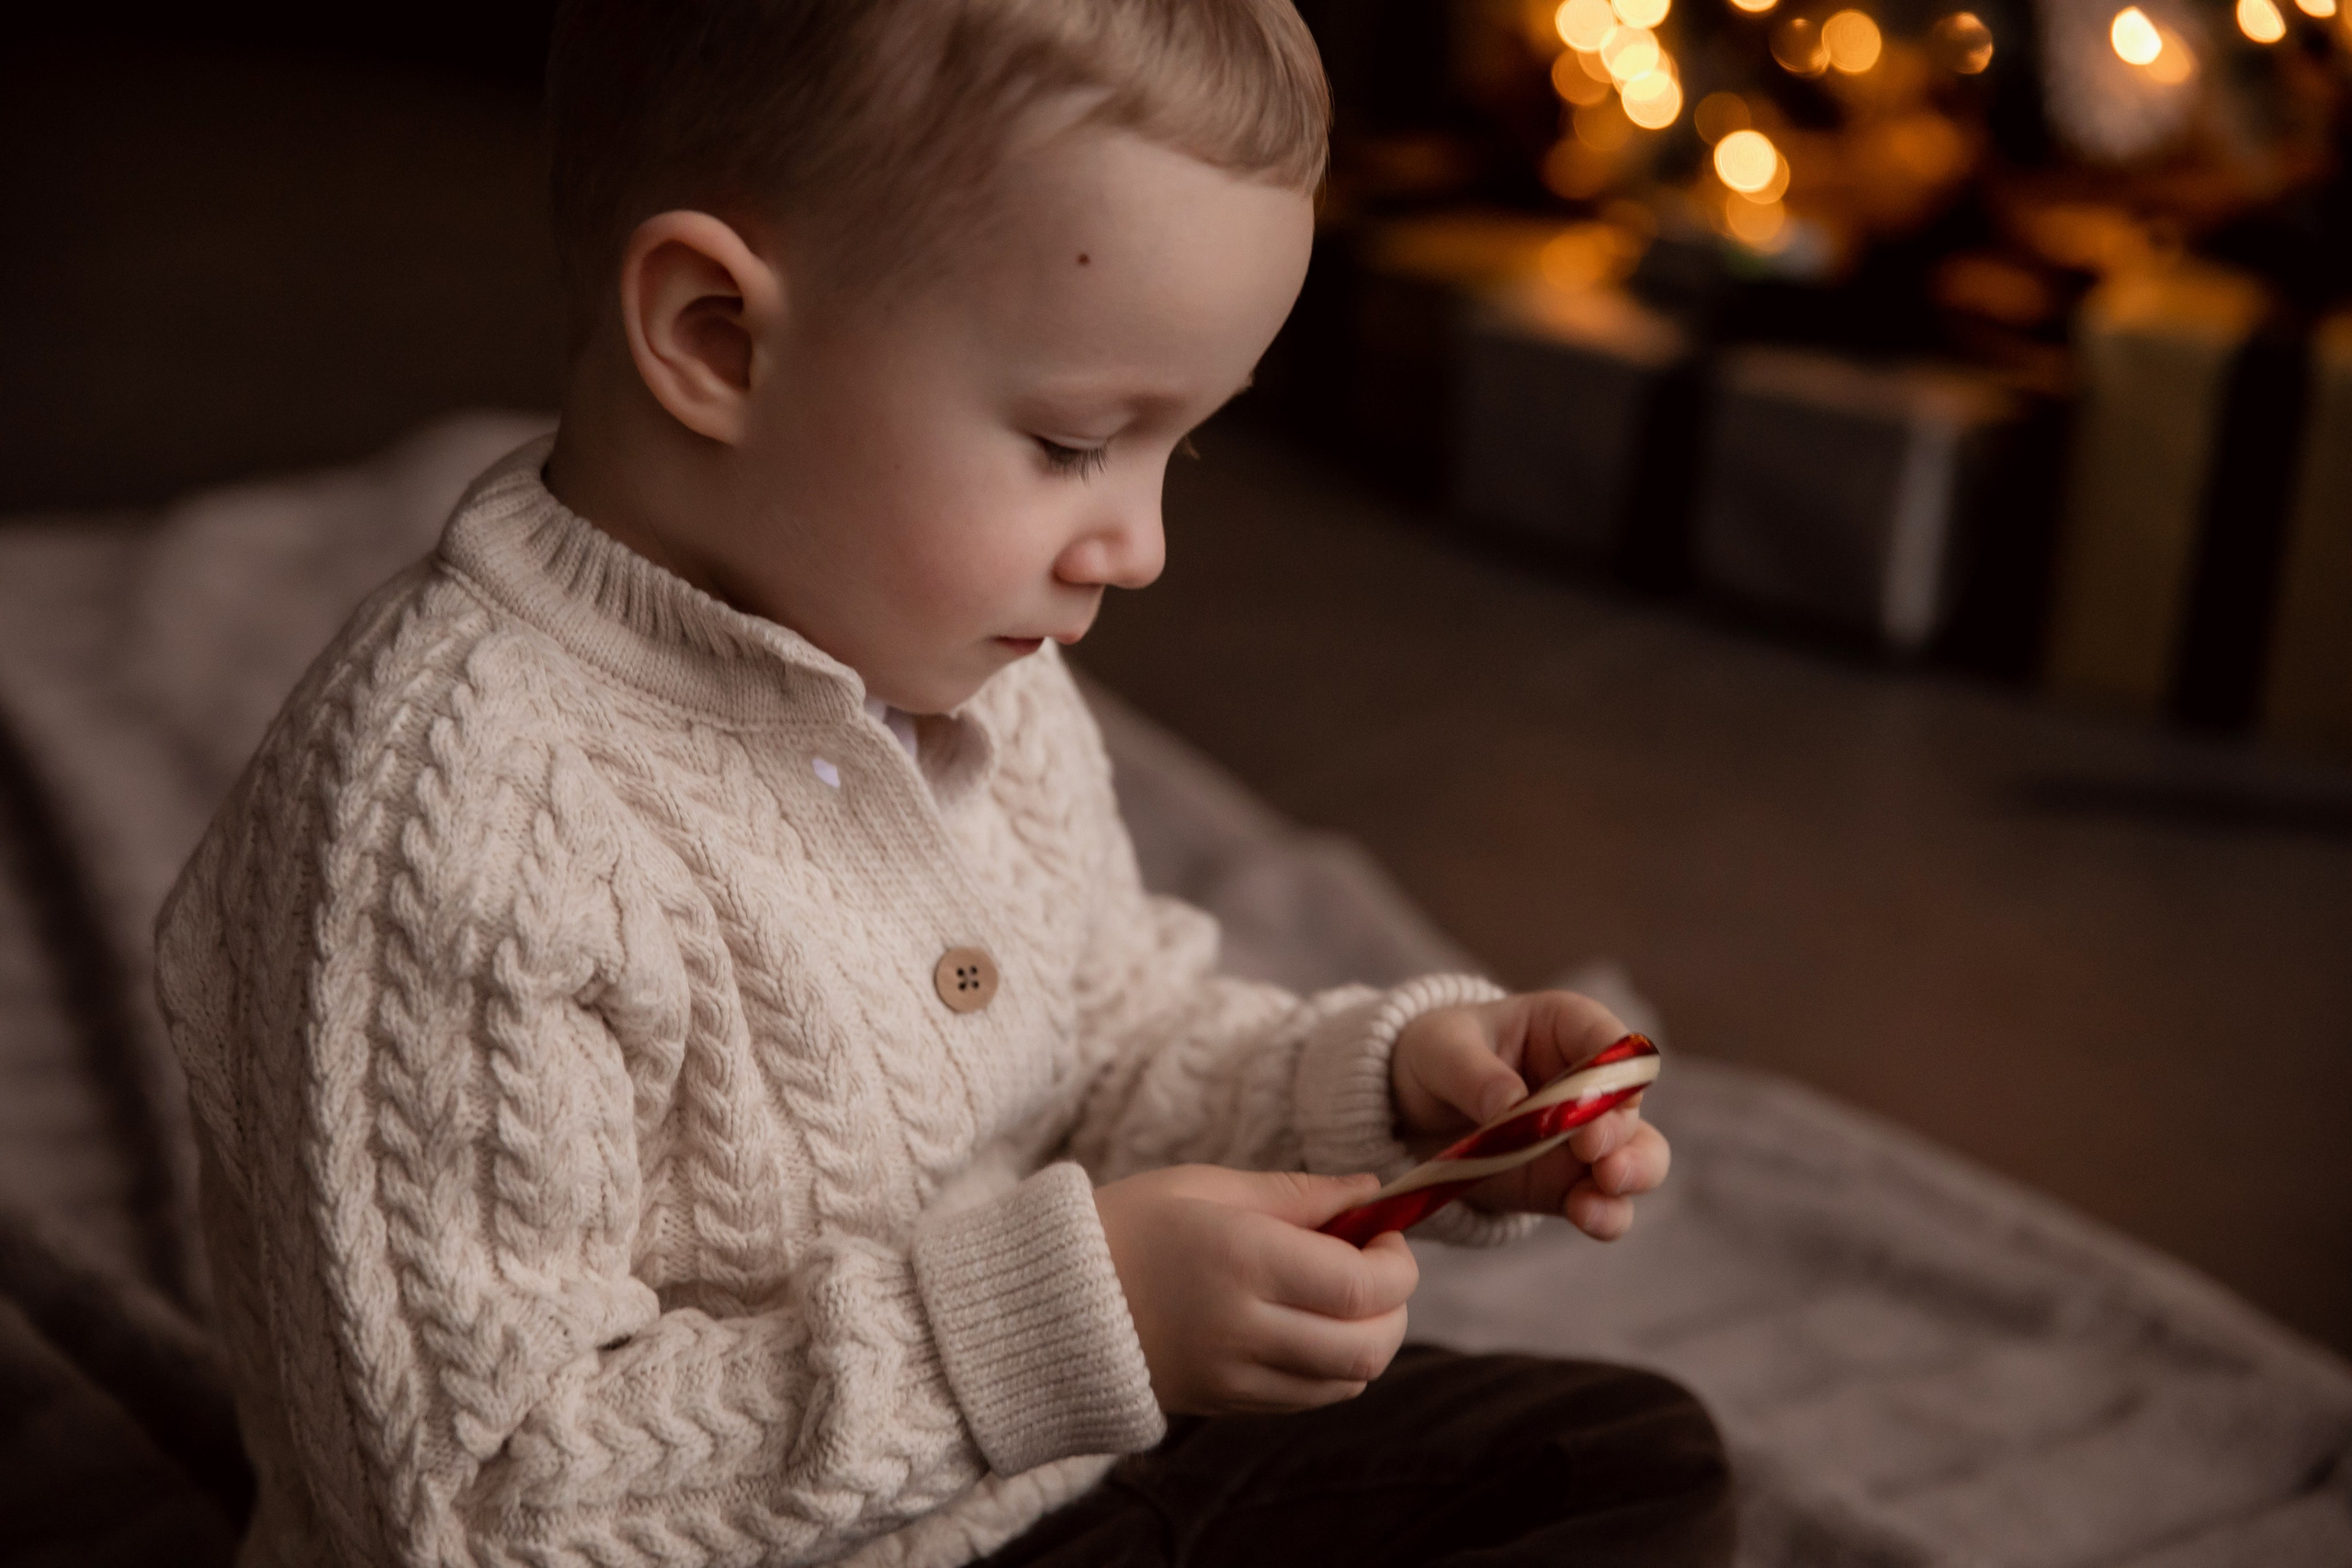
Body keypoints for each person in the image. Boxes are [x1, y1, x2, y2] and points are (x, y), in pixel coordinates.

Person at [154, 3, 1732, 1564]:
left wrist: (1392, 1103)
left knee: (1611, 1462)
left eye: (1173, 453)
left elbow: (1103, 1050)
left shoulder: (976, 671)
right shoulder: (456, 824)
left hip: (1042, 1477)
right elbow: (470, 1510)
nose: (1139, 548)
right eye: (1070, 442)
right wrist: (1060, 1328)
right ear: (716, 337)